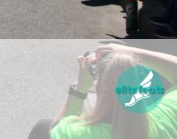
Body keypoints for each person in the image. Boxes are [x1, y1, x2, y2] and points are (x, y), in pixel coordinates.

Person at [29, 43, 177, 139]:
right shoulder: (167, 115)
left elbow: (54, 131)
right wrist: (132, 54)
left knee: (43, 126)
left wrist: (80, 88)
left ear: (99, 86)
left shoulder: (79, 133)